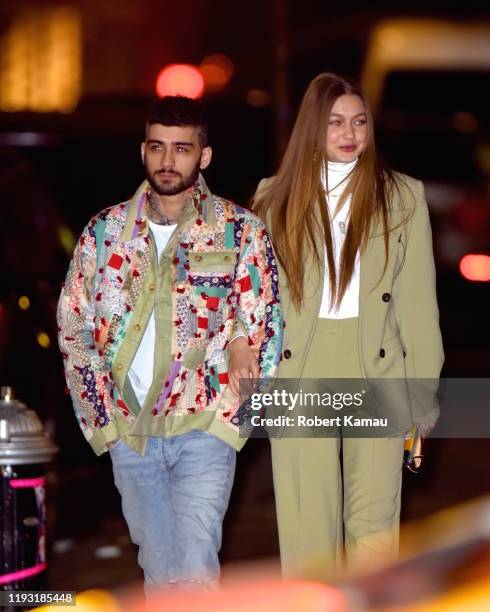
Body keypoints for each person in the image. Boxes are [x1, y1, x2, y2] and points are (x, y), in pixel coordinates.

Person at [57, 96, 283, 593]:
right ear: (143, 150)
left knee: (198, 567)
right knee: (160, 576)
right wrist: (103, 425)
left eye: (181, 149)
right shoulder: (105, 233)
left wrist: (234, 423)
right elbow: (74, 328)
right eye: (157, 147)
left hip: (205, 428)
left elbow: (266, 326)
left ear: (203, 157)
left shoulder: (239, 230)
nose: (167, 160)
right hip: (131, 430)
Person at [252, 73, 444, 579]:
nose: (349, 132)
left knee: (375, 527)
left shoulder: (402, 195)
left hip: (377, 365)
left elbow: (419, 304)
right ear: (313, 128)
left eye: (359, 121)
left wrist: (423, 392)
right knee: (307, 528)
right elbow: (259, 302)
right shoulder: (274, 198)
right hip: (302, 369)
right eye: (335, 121)